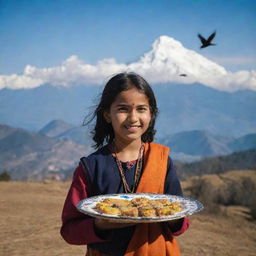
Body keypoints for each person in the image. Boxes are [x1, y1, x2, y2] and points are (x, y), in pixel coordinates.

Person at [60, 72, 189, 256]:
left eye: (141, 109)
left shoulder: (161, 160)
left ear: (151, 114)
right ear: (107, 114)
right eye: (123, 109)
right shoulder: (91, 167)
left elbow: (181, 221)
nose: (133, 118)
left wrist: (171, 217)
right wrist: (99, 224)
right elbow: (70, 231)